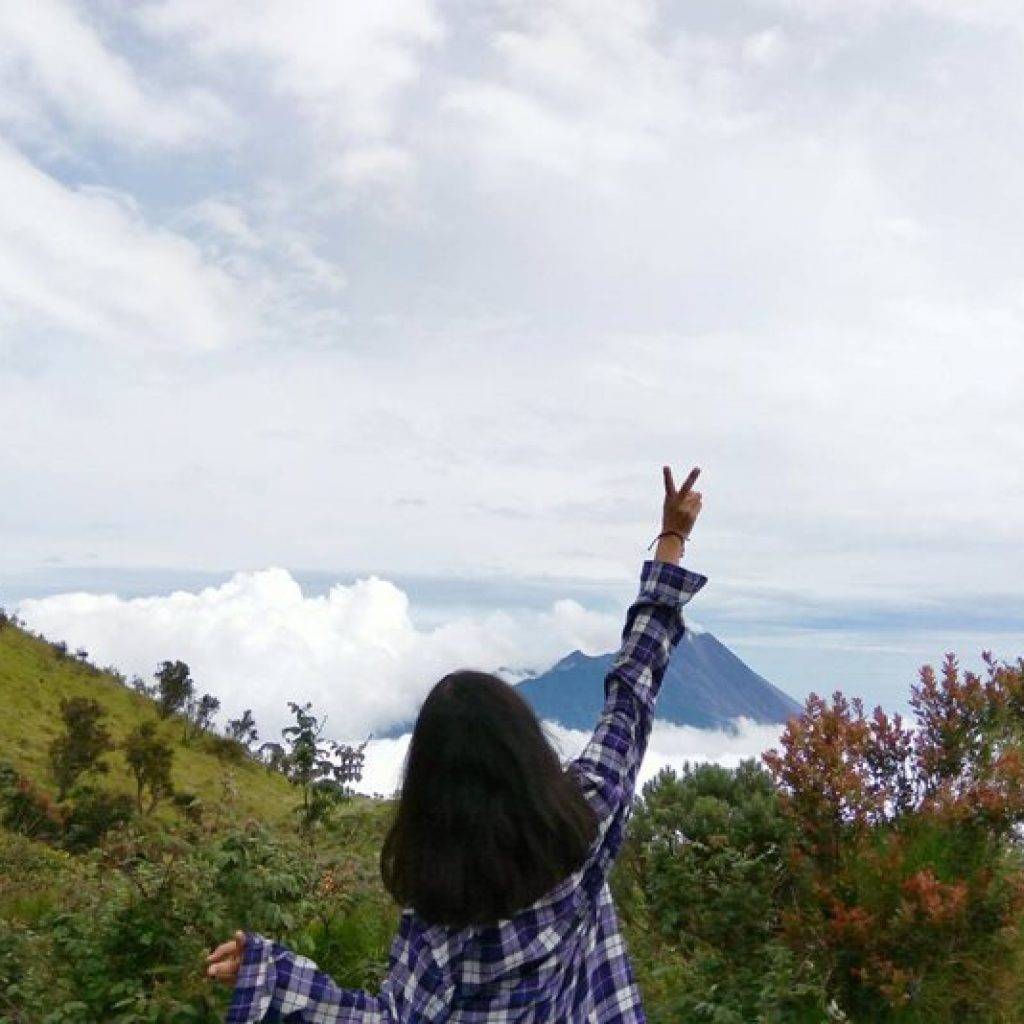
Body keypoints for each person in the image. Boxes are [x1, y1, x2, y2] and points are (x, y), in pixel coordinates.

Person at [207, 465, 706, 1022]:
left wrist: (272, 975)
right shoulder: (587, 824)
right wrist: (672, 539)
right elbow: (630, 697)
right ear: (528, 753)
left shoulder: (439, 927)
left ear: (428, 794)